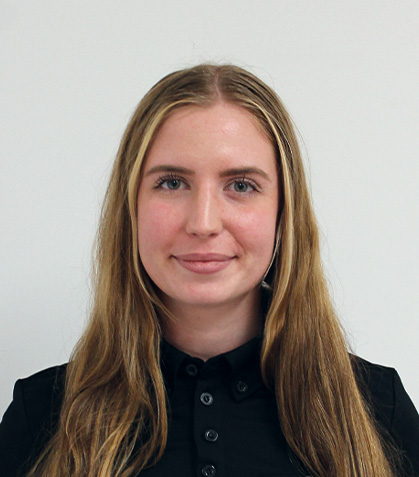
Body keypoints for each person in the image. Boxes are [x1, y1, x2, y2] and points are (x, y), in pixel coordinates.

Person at [0, 64, 418, 477]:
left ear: (283, 212)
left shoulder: (378, 408)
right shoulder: (41, 416)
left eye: (241, 186)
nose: (203, 223)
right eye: (172, 183)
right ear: (131, 208)